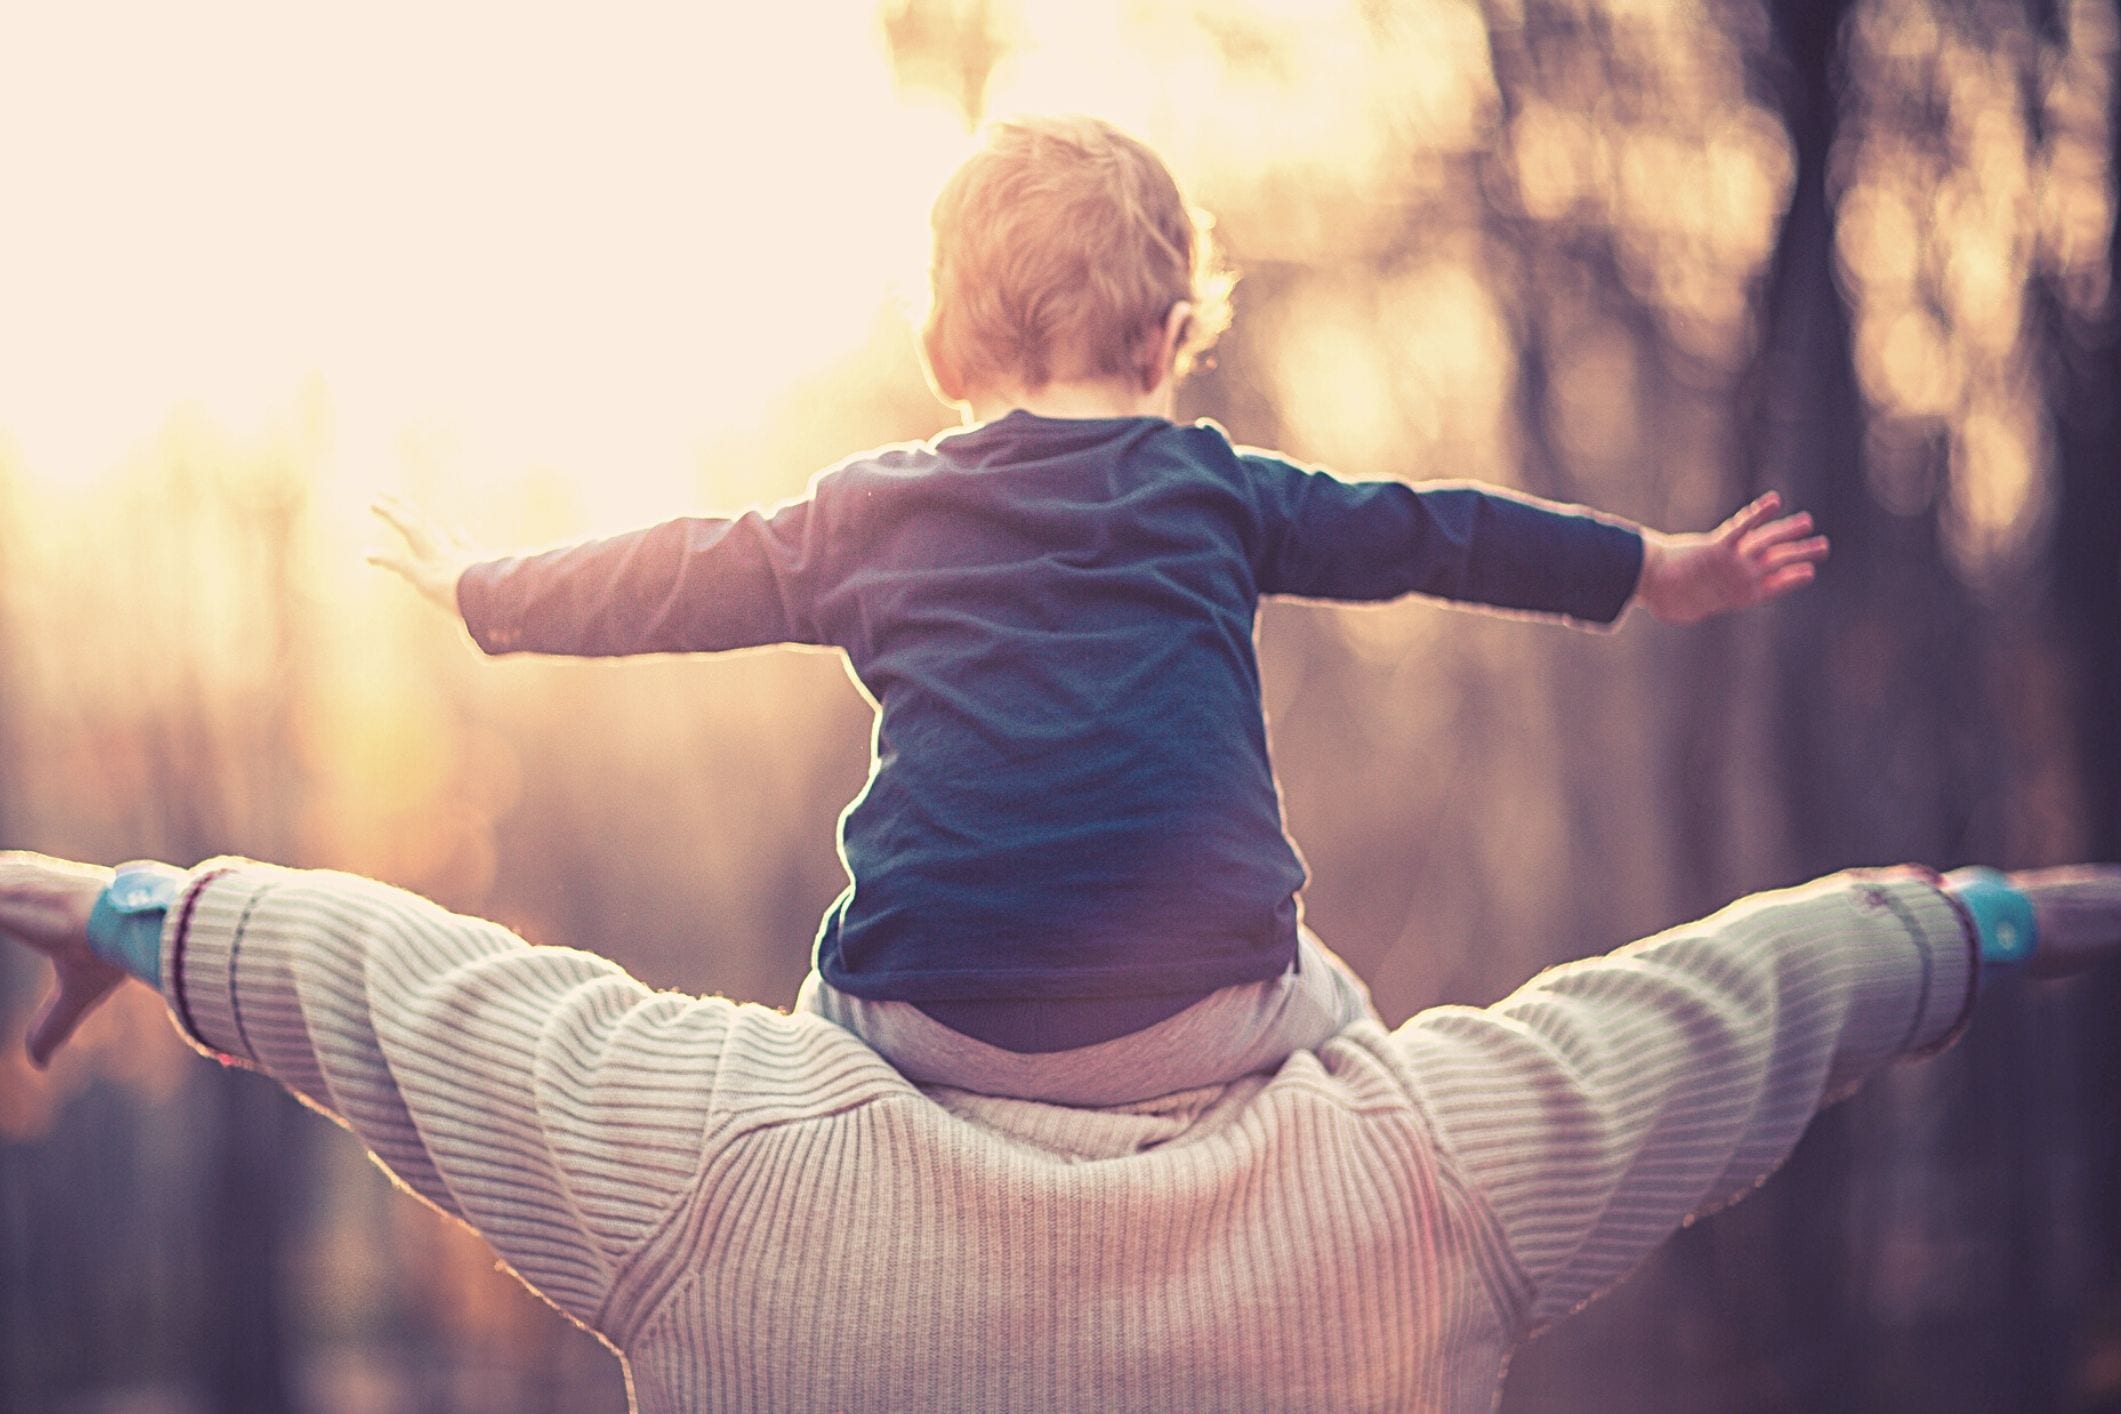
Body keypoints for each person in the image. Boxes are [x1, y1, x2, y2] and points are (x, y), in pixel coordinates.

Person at [369, 114, 1834, 1107]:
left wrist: (487, 591)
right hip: (1207, 1000)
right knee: (1360, 1028)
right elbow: (1429, 532)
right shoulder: (1212, 487)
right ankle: (1385, 1177)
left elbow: (677, 573)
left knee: (810, 1024)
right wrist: (1649, 564)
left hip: (927, 1012)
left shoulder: (868, 509)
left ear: (947, 345)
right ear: (1162, 335)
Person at [3, 848, 2114, 1411]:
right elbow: (1759, 991)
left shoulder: (724, 1167)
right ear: (1269, 942)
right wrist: (2000, 918)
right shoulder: (1412, 1171)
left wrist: (105, 906)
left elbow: (366, 972)